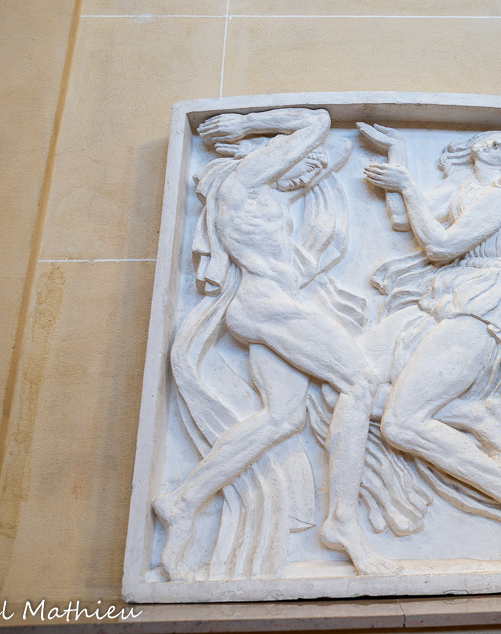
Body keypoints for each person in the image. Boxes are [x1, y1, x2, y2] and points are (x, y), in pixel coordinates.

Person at [154, 108, 398, 579]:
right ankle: (342, 521)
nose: (308, 175)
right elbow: (318, 123)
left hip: (264, 307)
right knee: (360, 382)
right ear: (271, 156)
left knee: (282, 418)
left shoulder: (265, 193)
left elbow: (333, 151)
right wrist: (248, 126)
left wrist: (308, 160)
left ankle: (183, 502)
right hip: (267, 306)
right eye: (303, 164)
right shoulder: (245, 183)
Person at [359, 125, 501, 570]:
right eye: (489, 140)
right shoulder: (469, 189)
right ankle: (470, 416)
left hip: (480, 312)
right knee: (355, 385)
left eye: (500, 145)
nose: (485, 145)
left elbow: (438, 245)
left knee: (400, 425)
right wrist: (398, 154)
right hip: (443, 303)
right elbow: (403, 218)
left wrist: (408, 183)